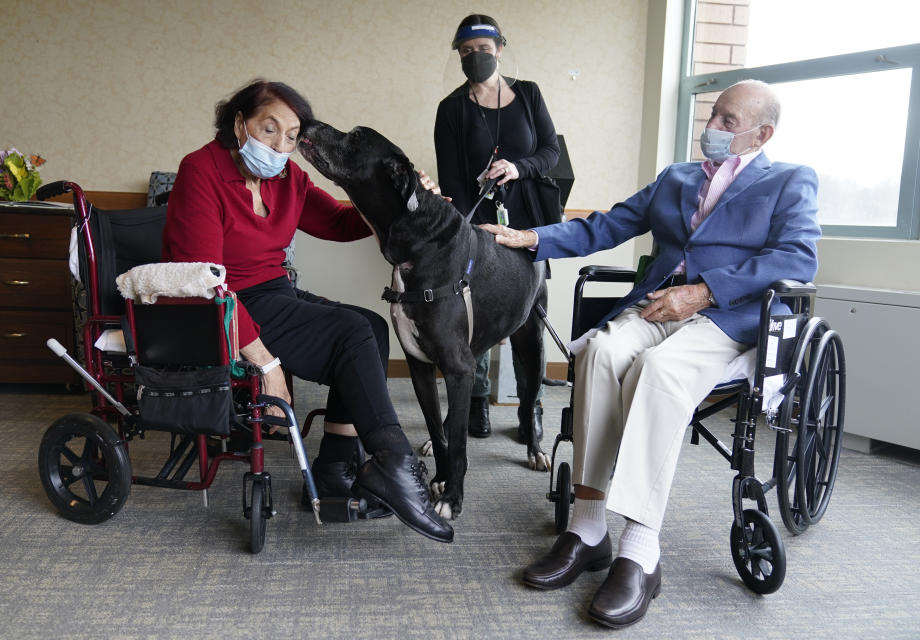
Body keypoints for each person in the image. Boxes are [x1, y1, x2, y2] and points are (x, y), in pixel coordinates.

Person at [481, 80, 819, 626]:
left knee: (659, 371)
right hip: (660, 306)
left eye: (728, 122)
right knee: (599, 354)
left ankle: (641, 548)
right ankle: (588, 528)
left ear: (764, 133)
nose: (711, 127)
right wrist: (530, 238)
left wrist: (704, 291)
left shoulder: (789, 181)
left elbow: (797, 259)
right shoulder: (678, 177)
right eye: (714, 115)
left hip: (727, 315)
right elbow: (608, 225)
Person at [162, 79, 453, 543]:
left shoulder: (288, 179)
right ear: (240, 124)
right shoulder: (201, 171)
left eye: (291, 136)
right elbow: (204, 282)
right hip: (227, 303)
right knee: (350, 334)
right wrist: (267, 364)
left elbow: (338, 222)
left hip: (274, 291)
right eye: (268, 128)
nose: (279, 145)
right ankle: (395, 464)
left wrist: (399, 200)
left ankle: (335, 468)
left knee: (371, 327)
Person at [434, 14, 560, 439]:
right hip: (479, 227)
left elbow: (550, 153)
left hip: (527, 225)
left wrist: (517, 167)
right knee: (476, 316)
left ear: (500, 49)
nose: (476, 58)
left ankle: (531, 408)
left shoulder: (528, 95)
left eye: (483, 50)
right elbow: (450, 179)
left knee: (531, 318)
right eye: (467, 52)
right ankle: (475, 401)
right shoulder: (451, 108)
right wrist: (474, 233)